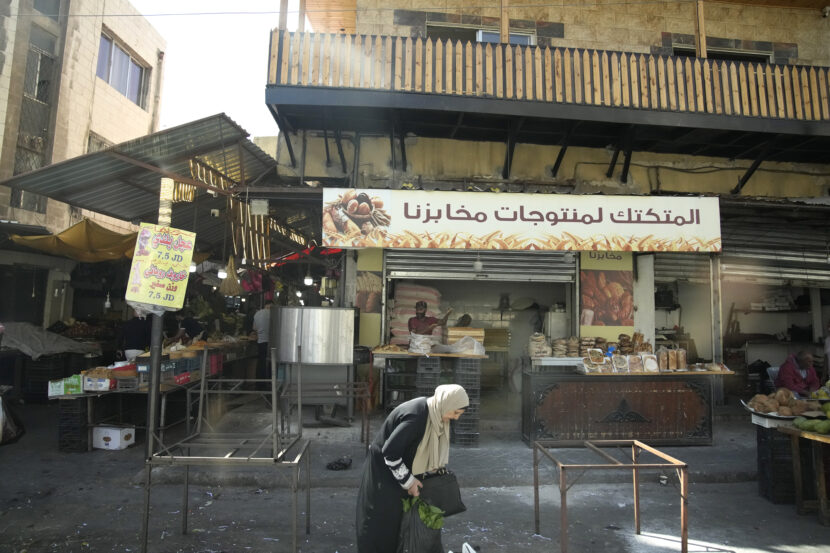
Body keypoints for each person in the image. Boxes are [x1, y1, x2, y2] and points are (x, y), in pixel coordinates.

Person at [355, 384, 469, 553]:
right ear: (446, 404)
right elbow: (390, 453)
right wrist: (409, 482)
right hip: (383, 475)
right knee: (381, 524)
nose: (456, 418)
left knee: (398, 524)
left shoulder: (434, 414)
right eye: (455, 412)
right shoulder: (417, 416)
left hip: (398, 473)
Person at [251, 300, 273, 381]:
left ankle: (259, 384)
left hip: (260, 342)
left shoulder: (257, 313)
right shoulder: (272, 313)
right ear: (270, 305)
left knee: (261, 362)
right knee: (270, 363)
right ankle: (270, 383)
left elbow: (254, 328)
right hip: (270, 342)